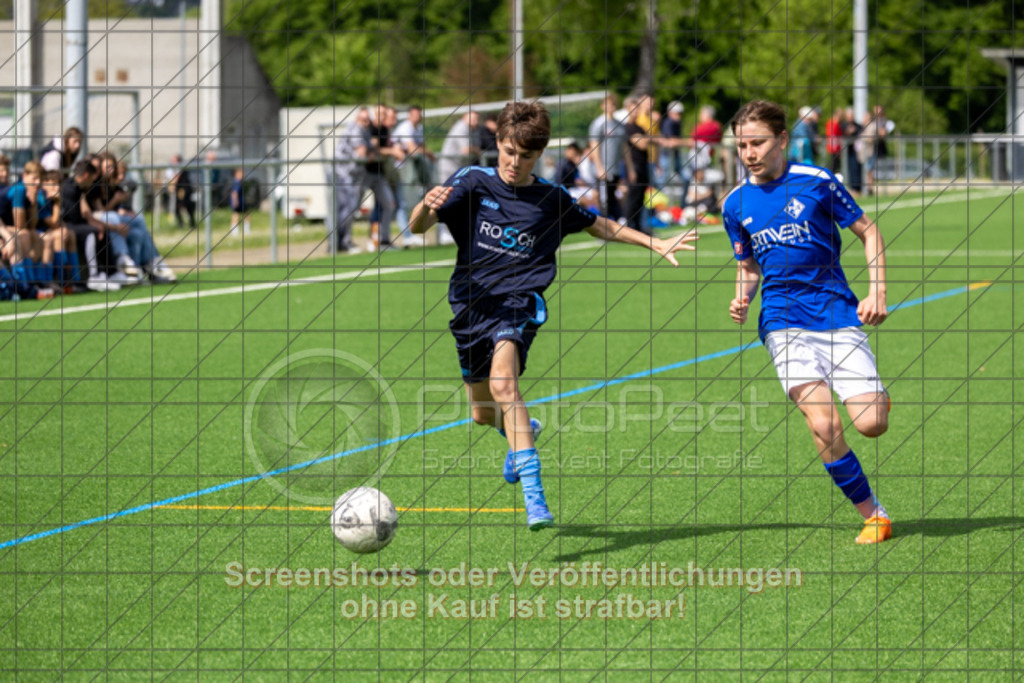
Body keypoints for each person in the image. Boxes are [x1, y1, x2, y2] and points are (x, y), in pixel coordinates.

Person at [407, 101, 698, 530]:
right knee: (482, 414)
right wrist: (424, 205)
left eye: (524, 156)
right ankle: (521, 432)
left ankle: (535, 497)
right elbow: (418, 227)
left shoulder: (549, 199)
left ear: (538, 155)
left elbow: (600, 225)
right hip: (470, 306)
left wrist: (654, 243)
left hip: (517, 303)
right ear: (500, 146)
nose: (514, 162)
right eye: (508, 151)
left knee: (506, 384)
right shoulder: (472, 182)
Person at [722, 99, 892, 545]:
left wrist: (877, 292)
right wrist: (742, 299)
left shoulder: (816, 181)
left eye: (757, 143)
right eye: (742, 145)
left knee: (871, 422)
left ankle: (877, 396)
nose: (749, 153)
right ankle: (873, 514)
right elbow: (749, 266)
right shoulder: (734, 203)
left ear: (782, 140)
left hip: (835, 311)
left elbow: (869, 231)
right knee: (823, 424)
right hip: (781, 320)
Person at [391, 105, 434, 247]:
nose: (417, 117)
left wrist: (425, 152)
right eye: (414, 114)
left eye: (418, 114)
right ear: (409, 115)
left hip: (409, 169)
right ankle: (407, 235)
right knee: (401, 203)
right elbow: (412, 148)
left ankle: (409, 235)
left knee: (405, 202)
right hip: (398, 170)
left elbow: (420, 147)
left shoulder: (418, 128)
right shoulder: (405, 127)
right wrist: (428, 153)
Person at [436, 111, 481, 245]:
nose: (475, 121)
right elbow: (466, 149)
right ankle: (443, 233)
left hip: (460, 170)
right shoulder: (461, 127)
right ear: (465, 117)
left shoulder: (473, 130)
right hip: (449, 169)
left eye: (477, 119)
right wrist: (477, 150)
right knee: (445, 198)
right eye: (472, 118)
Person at [332, 107, 370, 253]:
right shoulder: (356, 130)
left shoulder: (362, 130)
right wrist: (369, 153)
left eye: (367, 120)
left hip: (350, 175)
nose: (365, 123)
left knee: (349, 208)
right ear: (357, 119)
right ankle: (343, 242)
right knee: (347, 209)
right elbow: (362, 152)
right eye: (363, 119)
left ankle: (341, 242)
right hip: (343, 175)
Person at [587, 93, 626, 220]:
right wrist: (599, 168)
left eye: (613, 104)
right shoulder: (598, 124)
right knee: (604, 199)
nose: (611, 107)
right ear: (602, 106)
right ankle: (604, 228)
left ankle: (617, 223)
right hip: (603, 169)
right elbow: (594, 146)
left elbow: (624, 148)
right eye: (608, 104)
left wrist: (628, 168)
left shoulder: (619, 125)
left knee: (613, 196)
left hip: (616, 169)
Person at [623, 94, 655, 234]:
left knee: (641, 197)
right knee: (633, 197)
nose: (636, 111)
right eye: (633, 108)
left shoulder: (639, 128)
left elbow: (645, 141)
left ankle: (638, 225)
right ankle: (630, 225)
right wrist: (649, 139)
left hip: (643, 165)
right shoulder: (626, 128)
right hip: (634, 166)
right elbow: (641, 144)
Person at [169, 153, 197, 230]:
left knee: (188, 208)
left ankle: (192, 224)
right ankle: (181, 224)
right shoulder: (172, 170)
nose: (172, 162)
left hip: (186, 191)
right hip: (179, 191)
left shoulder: (182, 169)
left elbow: (178, 179)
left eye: (174, 160)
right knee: (177, 208)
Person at [229, 168, 251, 235]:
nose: (243, 175)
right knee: (236, 215)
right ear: (237, 174)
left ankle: (244, 230)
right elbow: (234, 193)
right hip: (238, 202)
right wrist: (235, 202)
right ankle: (236, 232)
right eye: (241, 173)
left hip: (241, 201)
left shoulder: (238, 182)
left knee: (245, 215)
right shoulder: (237, 182)